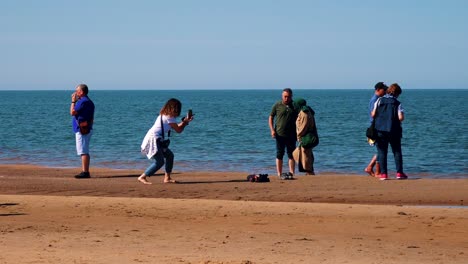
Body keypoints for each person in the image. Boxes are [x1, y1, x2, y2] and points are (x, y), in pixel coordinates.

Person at [138, 98, 193, 184]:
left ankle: (167, 178)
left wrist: (184, 122)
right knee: (160, 162)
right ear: (175, 108)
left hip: (156, 139)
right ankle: (142, 177)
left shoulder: (164, 115)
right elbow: (178, 130)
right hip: (154, 139)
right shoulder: (169, 117)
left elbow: (176, 127)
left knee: (169, 155)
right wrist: (185, 122)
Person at [371, 83, 408, 180]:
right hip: (394, 130)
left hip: (380, 129)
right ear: (397, 94)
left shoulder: (379, 100)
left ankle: (384, 174)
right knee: (396, 151)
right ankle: (399, 173)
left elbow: (373, 114)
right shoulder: (398, 103)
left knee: (382, 152)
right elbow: (401, 118)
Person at [268, 88, 298, 179]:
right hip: (279, 134)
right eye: (285, 96)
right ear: (282, 96)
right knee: (279, 154)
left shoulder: (295, 106)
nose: (286, 98)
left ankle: (292, 173)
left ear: (291, 96)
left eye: (288, 97)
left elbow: (300, 118)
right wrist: (272, 130)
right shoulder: (277, 105)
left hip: (292, 134)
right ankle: (279, 173)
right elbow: (270, 117)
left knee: (291, 154)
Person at [70, 84, 95, 179]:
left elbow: (72, 112)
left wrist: (73, 101)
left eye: (77, 91)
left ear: (81, 92)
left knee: (83, 151)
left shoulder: (83, 102)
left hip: (82, 129)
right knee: (83, 150)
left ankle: (85, 172)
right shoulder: (89, 102)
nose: (76, 93)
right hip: (87, 127)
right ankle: (85, 170)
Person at [364, 82, 387, 177]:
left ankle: (371, 168)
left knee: (380, 149)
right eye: (384, 89)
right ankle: (377, 171)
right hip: (376, 127)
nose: (385, 91)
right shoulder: (375, 100)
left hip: (377, 126)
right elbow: (374, 115)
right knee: (380, 149)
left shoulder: (378, 99)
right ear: (378, 89)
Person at [293, 98, 318, 175]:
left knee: (305, 154)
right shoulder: (305, 111)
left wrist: (299, 136)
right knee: (299, 153)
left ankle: (309, 171)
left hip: (306, 137)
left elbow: (304, 126)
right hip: (306, 136)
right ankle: (308, 170)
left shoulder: (304, 113)